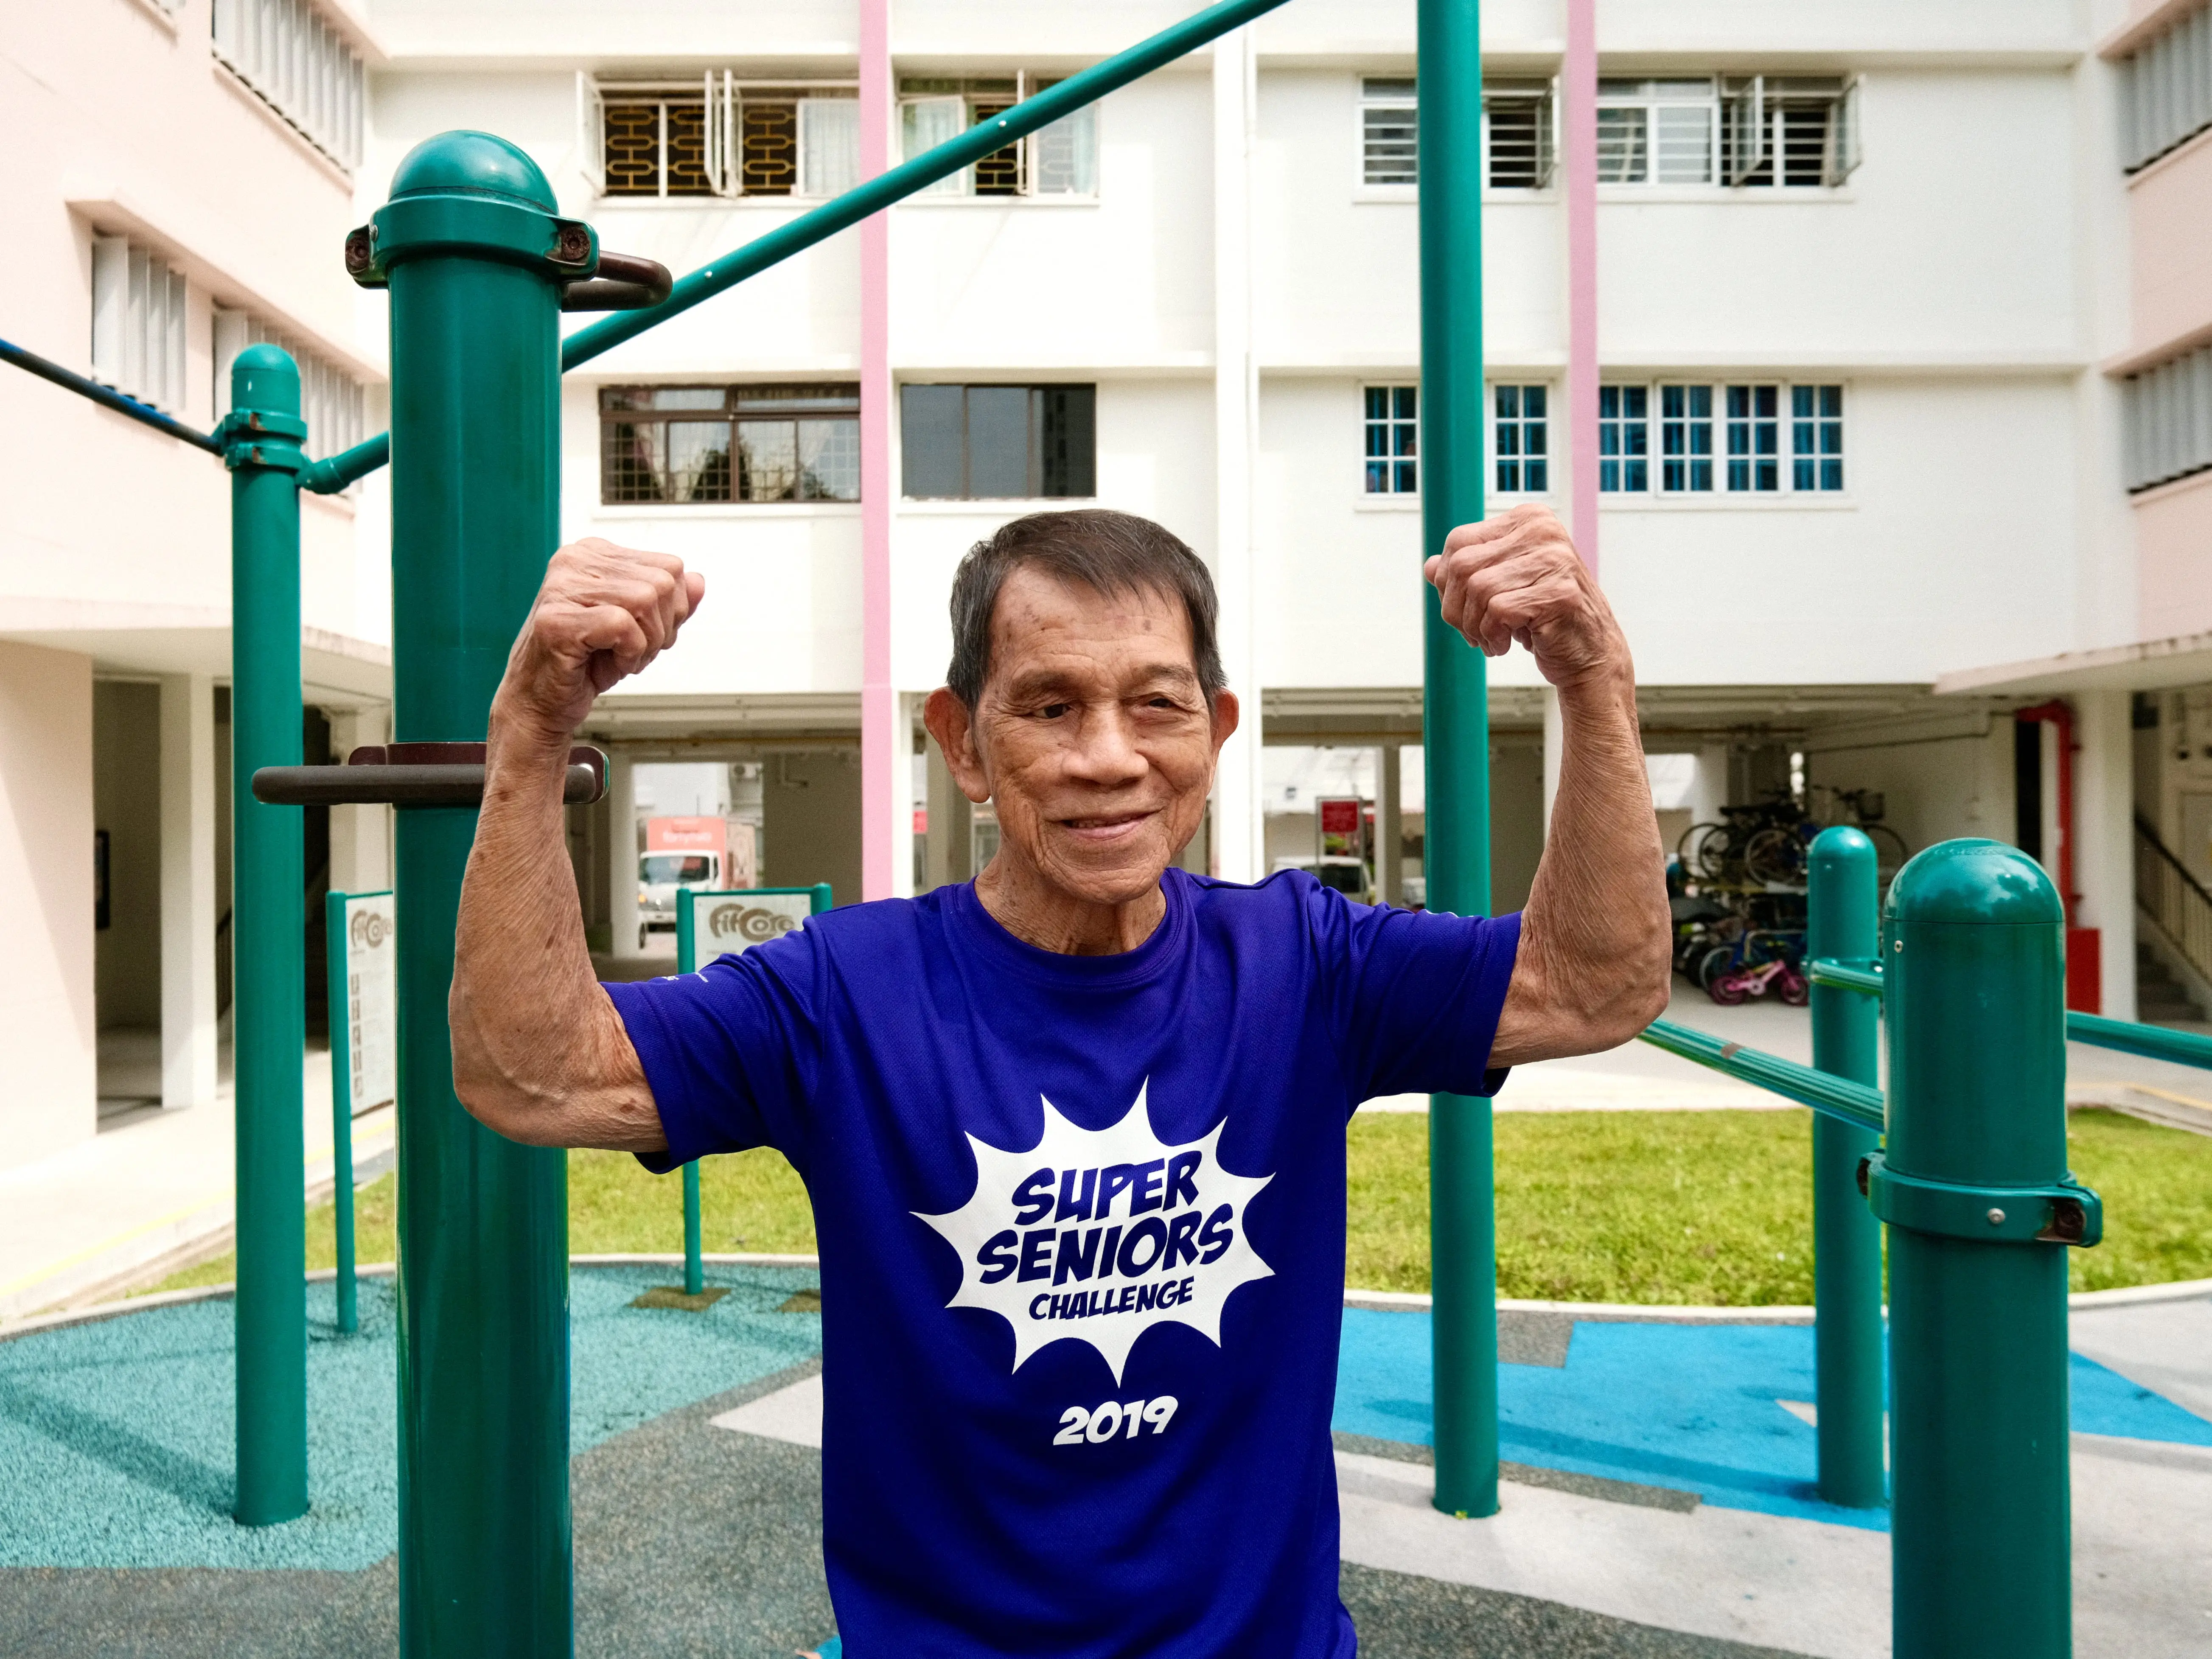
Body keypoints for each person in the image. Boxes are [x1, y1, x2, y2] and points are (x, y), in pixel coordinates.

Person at [451, 504, 1670, 1657]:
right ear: (962, 741)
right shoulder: (846, 991)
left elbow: (1592, 985)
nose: (1109, 757)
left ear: (1216, 733)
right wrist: (533, 732)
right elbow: (536, 1074)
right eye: (1049, 707)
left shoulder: (1305, 964)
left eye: (1157, 705)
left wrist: (1592, 680)